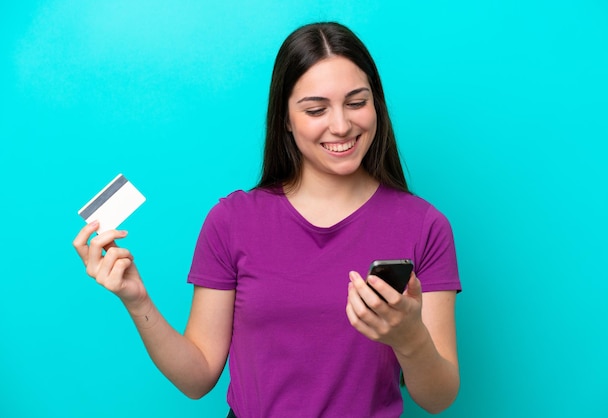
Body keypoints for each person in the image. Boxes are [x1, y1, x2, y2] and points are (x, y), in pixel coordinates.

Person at [73, 22, 461, 417]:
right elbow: (198, 377)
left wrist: (410, 338)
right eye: (316, 109)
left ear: (376, 105)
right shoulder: (232, 221)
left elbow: (439, 397)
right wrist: (135, 298)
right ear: (286, 120)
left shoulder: (425, 227)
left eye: (357, 102)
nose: (342, 125)